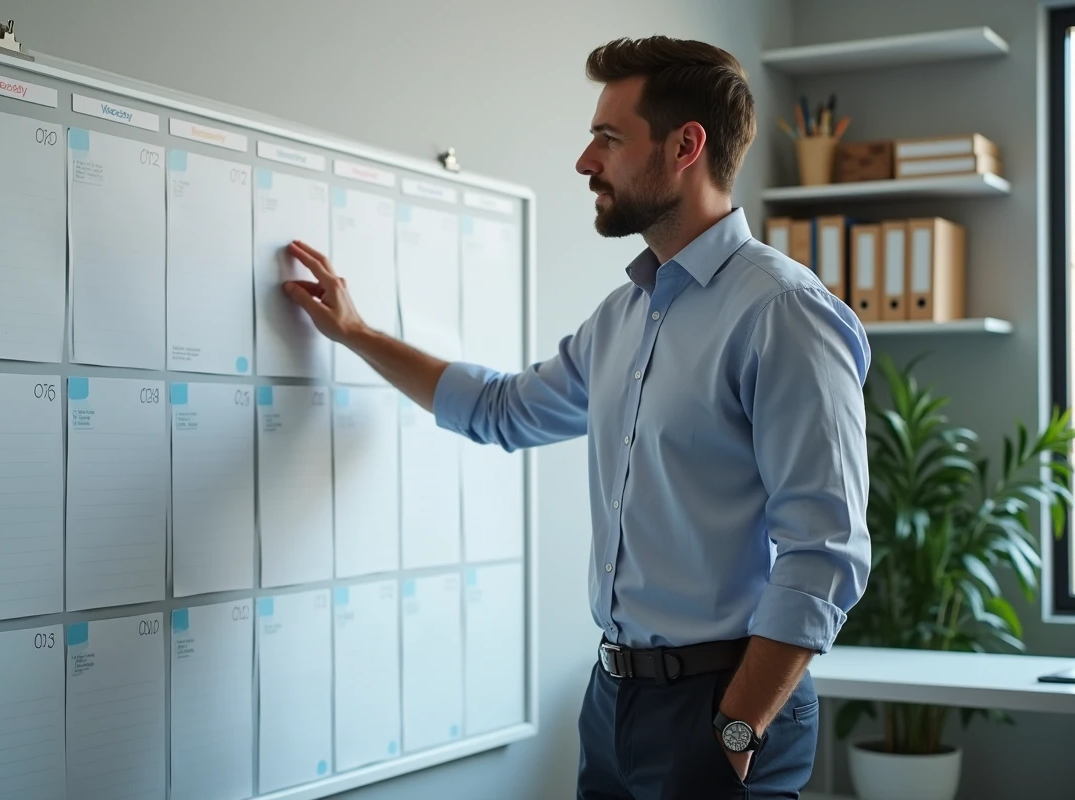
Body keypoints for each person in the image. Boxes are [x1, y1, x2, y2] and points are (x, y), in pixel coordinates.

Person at [282, 35, 871, 800]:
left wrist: (734, 730)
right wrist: (356, 335)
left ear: (686, 146)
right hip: (614, 698)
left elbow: (824, 551)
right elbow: (501, 410)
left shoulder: (783, 312)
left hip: (727, 706)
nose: (585, 161)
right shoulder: (622, 318)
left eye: (609, 137)